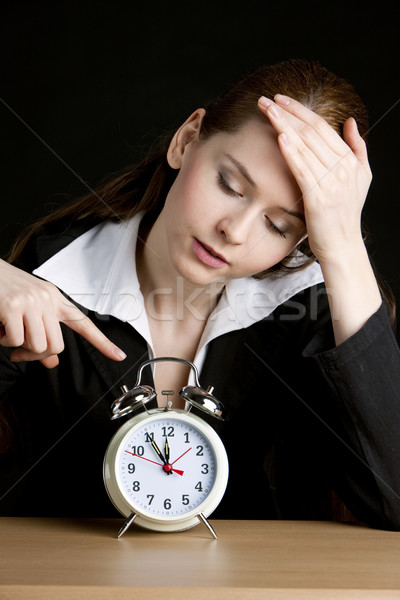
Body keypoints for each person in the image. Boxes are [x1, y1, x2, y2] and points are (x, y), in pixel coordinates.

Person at [0, 59, 399, 529]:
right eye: (229, 185)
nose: (235, 232)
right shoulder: (48, 279)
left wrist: (344, 248)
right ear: (187, 140)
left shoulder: (306, 310)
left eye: (278, 225)